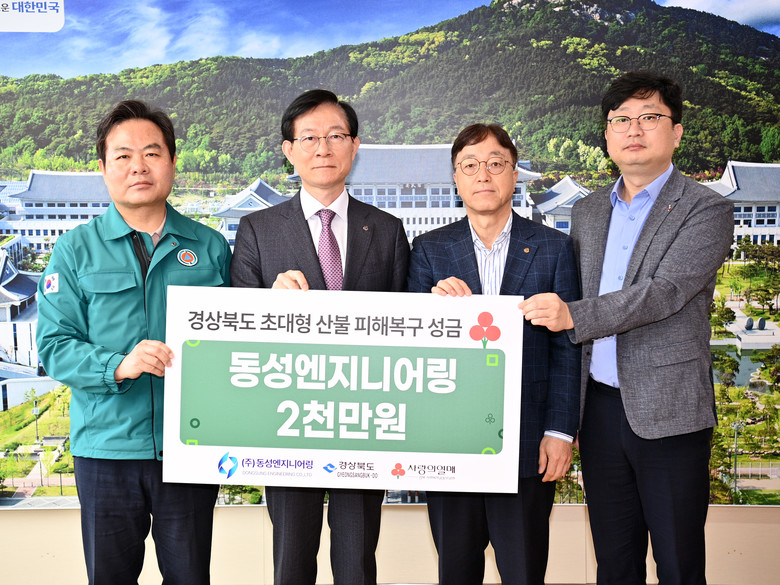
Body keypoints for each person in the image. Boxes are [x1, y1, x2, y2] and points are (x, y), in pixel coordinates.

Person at [521, 71, 734, 585]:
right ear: (607, 134)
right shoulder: (589, 210)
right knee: (615, 563)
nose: (633, 130)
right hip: (598, 410)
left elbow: (665, 292)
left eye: (649, 118)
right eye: (620, 120)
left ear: (676, 132)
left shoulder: (707, 208)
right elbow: (564, 286)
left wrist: (575, 315)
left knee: (679, 564)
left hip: (670, 411)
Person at [36, 100, 231, 585]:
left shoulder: (209, 246)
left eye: (152, 153)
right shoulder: (75, 249)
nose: (138, 166)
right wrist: (119, 365)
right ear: (103, 168)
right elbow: (55, 345)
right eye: (123, 156)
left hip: (188, 446)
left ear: (173, 162)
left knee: (190, 577)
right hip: (106, 449)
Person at [230, 88, 409, 585]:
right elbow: (236, 327)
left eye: (335, 136)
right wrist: (269, 304)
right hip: (287, 423)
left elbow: (408, 327)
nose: (323, 148)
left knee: (357, 562)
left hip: (362, 425)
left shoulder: (388, 230)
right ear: (289, 150)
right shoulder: (257, 229)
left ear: (355, 145)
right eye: (309, 138)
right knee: (291, 560)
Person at [407, 123, 581, 585]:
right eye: (470, 165)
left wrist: (560, 431)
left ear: (514, 173)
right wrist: (433, 309)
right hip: (450, 444)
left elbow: (568, 349)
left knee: (523, 572)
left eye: (495, 163)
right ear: (456, 179)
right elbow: (412, 349)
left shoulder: (554, 248)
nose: (483, 174)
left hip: (527, 445)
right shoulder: (429, 250)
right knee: (455, 571)